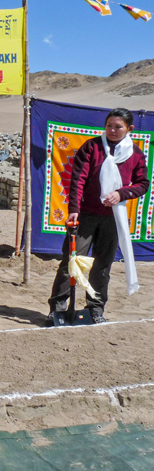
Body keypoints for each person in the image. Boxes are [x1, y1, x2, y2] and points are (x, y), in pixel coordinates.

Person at [48, 108, 149, 324]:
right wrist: (73, 209)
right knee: (71, 261)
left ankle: (95, 308)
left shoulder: (136, 154)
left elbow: (143, 184)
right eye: (109, 126)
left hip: (114, 217)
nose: (112, 130)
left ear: (129, 129)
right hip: (85, 214)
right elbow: (78, 180)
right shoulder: (92, 147)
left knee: (103, 264)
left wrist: (121, 193)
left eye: (118, 127)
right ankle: (57, 307)